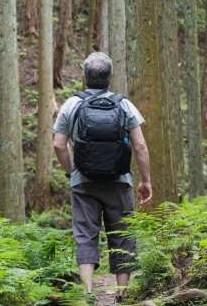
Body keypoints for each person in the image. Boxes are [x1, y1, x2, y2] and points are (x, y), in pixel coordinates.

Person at [53, 52, 152, 304]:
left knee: (85, 235)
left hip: (83, 181)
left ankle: (87, 295)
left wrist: (70, 171)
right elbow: (140, 146)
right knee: (122, 234)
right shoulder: (124, 105)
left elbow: (58, 145)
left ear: (85, 76)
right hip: (119, 181)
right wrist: (145, 180)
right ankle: (121, 294)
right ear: (110, 77)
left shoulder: (71, 104)